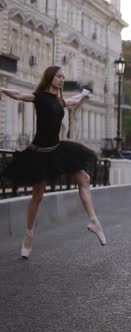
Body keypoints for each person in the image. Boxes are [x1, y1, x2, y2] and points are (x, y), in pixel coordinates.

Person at [0, 66, 106, 259]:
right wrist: (3, 90)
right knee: (37, 196)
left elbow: (72, 101)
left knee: (84, 178)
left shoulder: (59, 101)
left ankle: (93, 220)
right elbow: (19, 94)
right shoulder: (39, 97)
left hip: (57, 150)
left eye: (64, 77)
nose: (62, 80)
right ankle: (29, 235)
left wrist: (83, 93)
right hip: (39, 153)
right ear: (50, 77)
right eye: (59, 76)